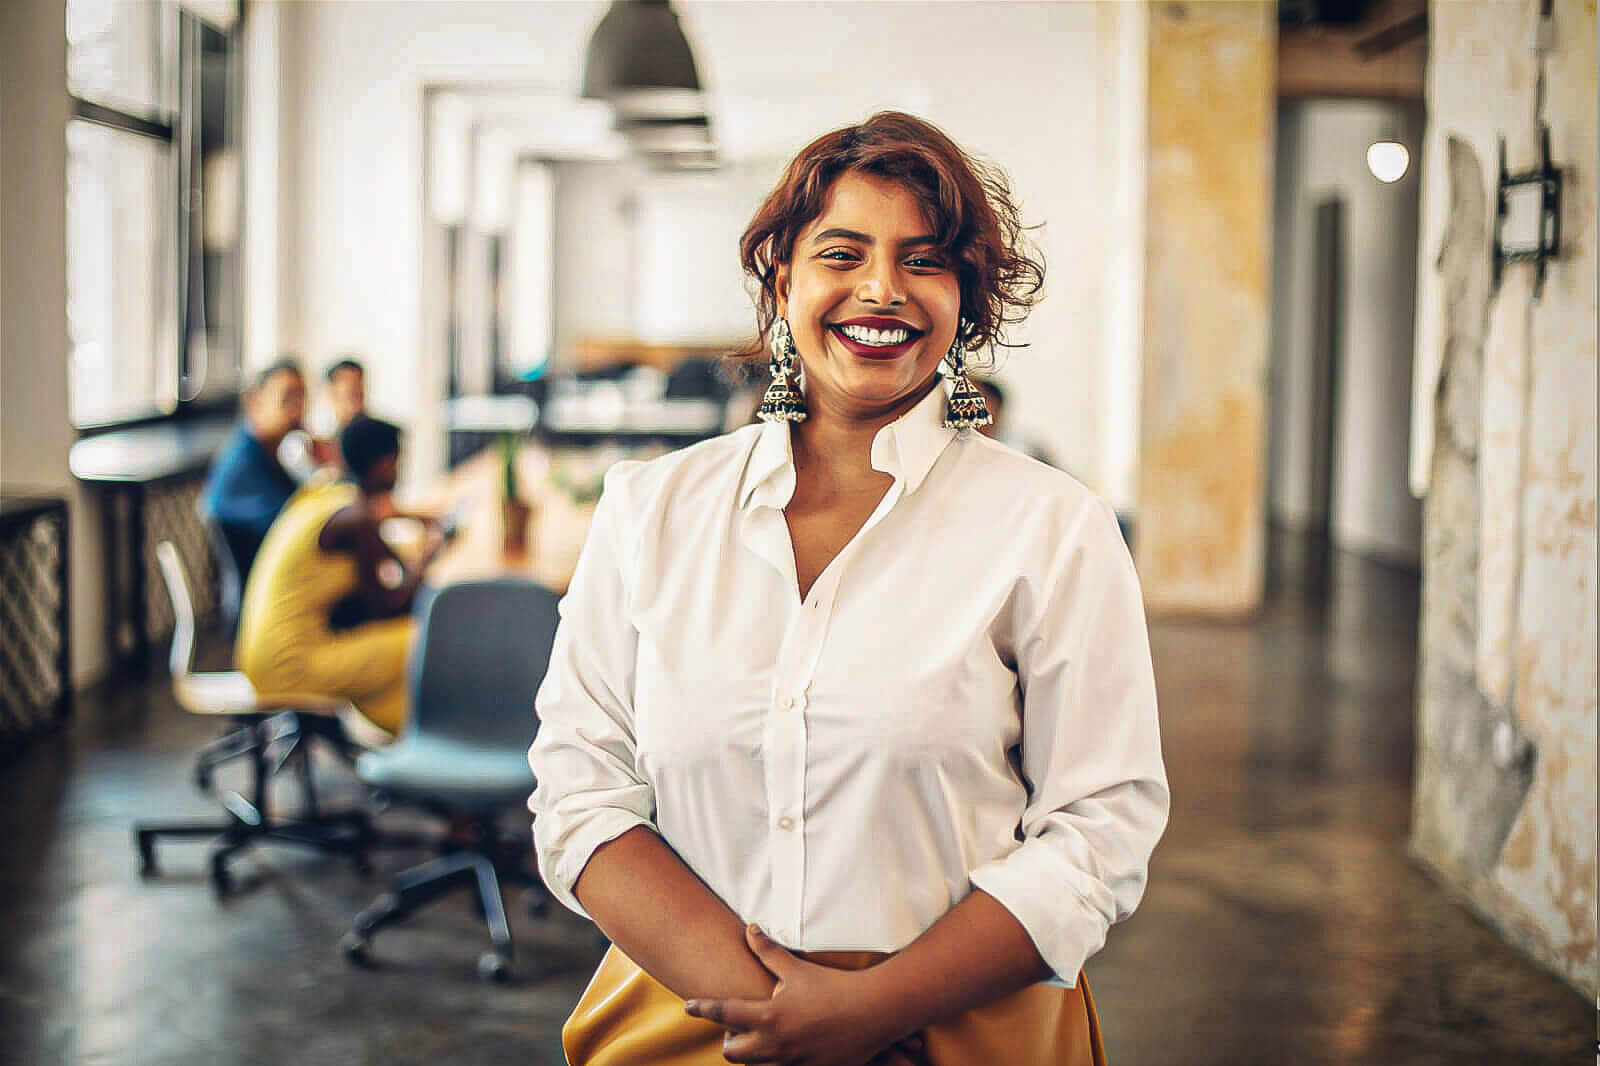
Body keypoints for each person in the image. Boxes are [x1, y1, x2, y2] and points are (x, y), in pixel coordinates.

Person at [529, 112, 1168, 1066]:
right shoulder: (649, 511)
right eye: (844, 253)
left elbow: (1099, 830)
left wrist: (872, 1014)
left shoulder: (1054, 529)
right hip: (693, 1026)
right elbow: (580, 794)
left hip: (964, 1034)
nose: (882, 289)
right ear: (782, 276)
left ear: (968, 301)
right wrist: (778, 1016)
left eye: (925, 259)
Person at [235, 415, 446, 735]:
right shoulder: (356, 518)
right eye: (398, 460)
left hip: (258, 657)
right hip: (287, 665)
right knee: (425, 638)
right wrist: (427, 558)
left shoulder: (327, 495)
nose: (400, 470)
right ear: (383, 464)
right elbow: (386, 606)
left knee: (390, 653)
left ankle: (406, 738)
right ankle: (427, 735)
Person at [202, 358, 308, 579]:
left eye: (302, 397)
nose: (298, 410)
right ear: (254, 402)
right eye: (287, 398)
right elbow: (298, 533)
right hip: (261, 604)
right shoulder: (243, 465)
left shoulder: (267, 453)